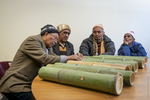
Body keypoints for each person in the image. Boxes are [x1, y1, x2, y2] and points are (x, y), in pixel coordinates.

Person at [0, 24, 83, 100]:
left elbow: (54, 58)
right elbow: (45, 59)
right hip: (17, 85)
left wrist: (73, 59)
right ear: (46, 34)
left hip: (29, 83)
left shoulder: (48, 47)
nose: (55, 42)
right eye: (55, 38)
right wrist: (69, 57)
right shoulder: (33, 40)